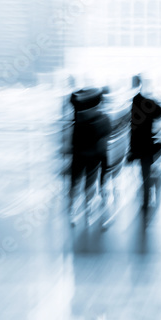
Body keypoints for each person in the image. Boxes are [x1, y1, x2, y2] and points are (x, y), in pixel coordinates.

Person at [68, 87, 109, 224]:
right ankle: (88, 211)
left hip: (78, 155)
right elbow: (104, 142)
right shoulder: (103, 119)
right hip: (93, 157)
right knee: (89, 185)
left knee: (75, 183)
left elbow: (73, 100)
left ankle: (73, 211)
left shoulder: (78, 119)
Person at [128, 75, 161, 222]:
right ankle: (145, 200)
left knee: (143, 173)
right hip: (147, 144)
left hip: (136, 145)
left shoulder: (132, 104)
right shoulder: (147, 103)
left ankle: (145, 200)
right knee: (146, 173)